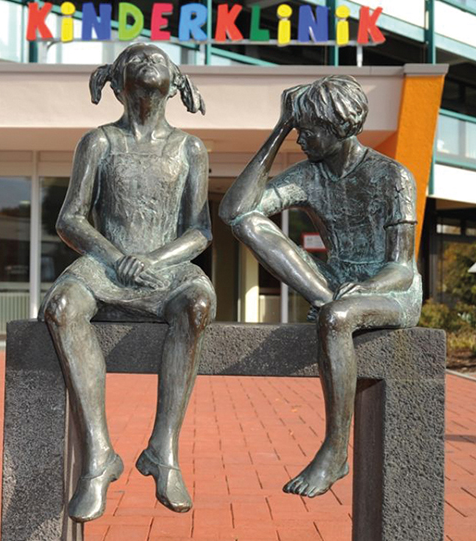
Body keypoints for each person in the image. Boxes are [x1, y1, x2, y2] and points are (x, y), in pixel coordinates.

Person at [219, 75, 422, 498]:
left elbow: (402, 268)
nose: (301, 139)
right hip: (333, 286)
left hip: (392, 291)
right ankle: (328, 301)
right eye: (297, 130)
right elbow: (235, 212)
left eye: (308, 130)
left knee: (336, 317)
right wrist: (279, 129)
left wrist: (366, 289)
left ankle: (335, 451)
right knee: (250, 224)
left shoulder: (392, 176)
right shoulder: (308, 176)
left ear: (340, 127)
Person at [40, 44, 215, 522]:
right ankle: (99, 457)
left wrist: (152, 260)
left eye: (158, 58)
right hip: (105, 265)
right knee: (61, 308)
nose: (149, 59)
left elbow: (200, 230)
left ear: (176, 84)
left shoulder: (190, 148)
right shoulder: (99, 142)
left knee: (197, 304)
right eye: (137, 58)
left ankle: (163, 450)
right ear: (117, 83)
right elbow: (70, 219)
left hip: (166, 268)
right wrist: (118, 259)